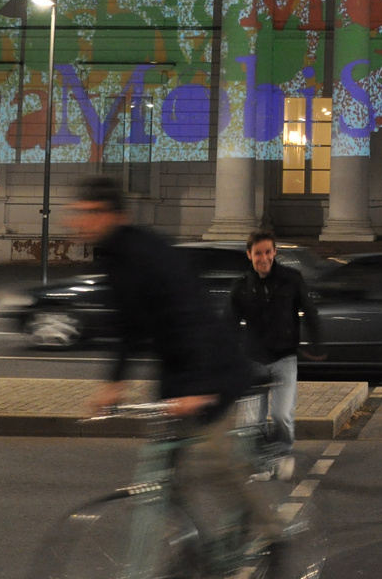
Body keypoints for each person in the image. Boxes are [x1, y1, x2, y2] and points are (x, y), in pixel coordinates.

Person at [65, 175, 280, 553]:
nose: (80, 222)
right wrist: (113, 384)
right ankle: (187, 547)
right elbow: (127, 329)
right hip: (177, 373)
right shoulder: (112, 258)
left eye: (90, 213)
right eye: (78, 213)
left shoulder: (150, 252)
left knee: (214, 461)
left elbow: (190, 314)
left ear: (117, 215)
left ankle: (271, 531)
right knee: (163, 474)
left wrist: (199, 389)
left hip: (210, 367)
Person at [229, 230, 323, 480]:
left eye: (268, 252)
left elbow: (310, 312)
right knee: (251, 422)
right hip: (253, 360)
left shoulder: (291, 279)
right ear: (249, 255)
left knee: (282, 414)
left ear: (275, 252)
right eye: (258, 253)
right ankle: (260, 463)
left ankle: (281, 455)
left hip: (284, 358)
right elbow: (227, 325)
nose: (264, 258)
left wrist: (317, 344)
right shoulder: (241, 287)